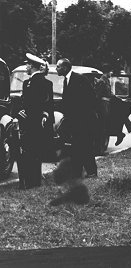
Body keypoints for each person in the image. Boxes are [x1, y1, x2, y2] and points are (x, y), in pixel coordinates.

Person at [56, 58, 97, 178]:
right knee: (76, 147)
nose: (56, 69)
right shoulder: (66, 80)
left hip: (83, 121)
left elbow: (90, 98)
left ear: (65, 68)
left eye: (58, 67)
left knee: (85, 146)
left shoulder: (79, 79)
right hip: (73, 121)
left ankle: (92, 171)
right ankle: (77, 171)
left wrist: (81, 116)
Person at [17, 53, 54, 189]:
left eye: (27, 64)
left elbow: (46, 103)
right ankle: (29, 180)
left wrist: (44, 115)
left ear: (32, 66)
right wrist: (21, 110)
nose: (26, 67)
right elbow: (24, 101)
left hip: (36, 122)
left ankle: (33, 181)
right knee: (28, 150)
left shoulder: (43, 82)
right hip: (27, 121)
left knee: (34, 151)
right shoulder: (28, 82)